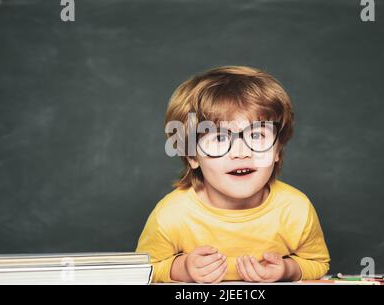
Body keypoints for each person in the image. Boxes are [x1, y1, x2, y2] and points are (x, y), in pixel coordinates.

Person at [136, 65, 330, 283]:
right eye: (219, 138)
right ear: (192, 156)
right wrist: (182, 268)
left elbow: (318, 263)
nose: (241, 152)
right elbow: (145, 269)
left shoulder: (296, 209)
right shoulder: (171, 215)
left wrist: (287, 269)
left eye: (257, 135)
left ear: (277, 149)